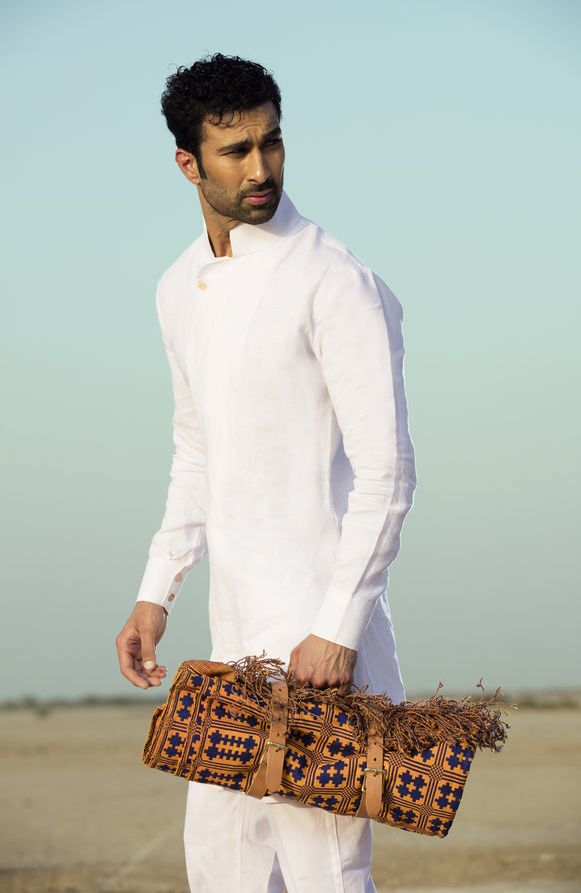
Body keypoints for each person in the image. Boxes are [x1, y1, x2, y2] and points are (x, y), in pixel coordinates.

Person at [116, 53, 416, 893]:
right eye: (235, 150)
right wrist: (155, 589)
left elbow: (388, 474)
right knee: (221, 871)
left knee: (326, 873)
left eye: (272, 144)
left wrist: (339, 625)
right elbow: (196, 450)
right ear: (188, 163)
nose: (261, 168)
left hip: (319, 643)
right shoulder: (178, 287)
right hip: (229, 647)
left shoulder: (333, 279)